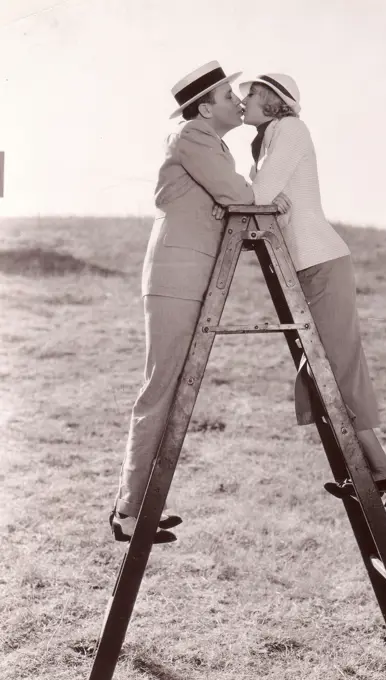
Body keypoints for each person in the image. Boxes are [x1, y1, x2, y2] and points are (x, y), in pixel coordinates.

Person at [111, 61, 290, 542]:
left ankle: (141, 505)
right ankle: (129, 511)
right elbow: (240, 196)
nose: (238, 101)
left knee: (171, 389)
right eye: (230, 96)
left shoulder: (209, 143)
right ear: (206, 108)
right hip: (175, 276)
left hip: (190, 277)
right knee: (161, 388)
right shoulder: (192, 136)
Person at [237, 73, 386, 506]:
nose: (243, 99)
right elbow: (261, 201)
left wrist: (266, 200)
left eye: (251, 92)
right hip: (305, 268)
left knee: (335, 370)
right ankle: (366, 470)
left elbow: (259, 197)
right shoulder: (264, 140)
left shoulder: (290, 129)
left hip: (323, 263)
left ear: (274, 100)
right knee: (320, 370)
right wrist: (266, 200)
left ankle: (382, 473)